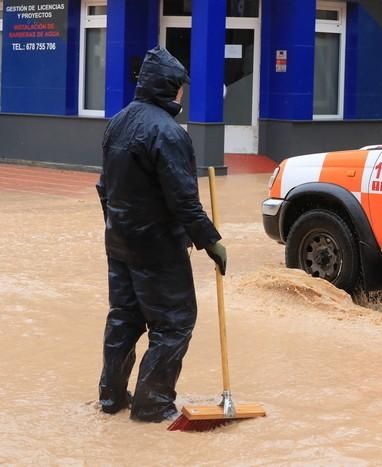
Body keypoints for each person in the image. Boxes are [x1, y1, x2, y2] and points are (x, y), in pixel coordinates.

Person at [96, 47, 227, 423]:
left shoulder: (117, 122)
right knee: (173, 323)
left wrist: (117, 227)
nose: (183, 94)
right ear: (170, 88)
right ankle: (152, 405)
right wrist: (211, 241)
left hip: (119, 243)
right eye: (181, 87)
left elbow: (104, 188)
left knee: (124, 318)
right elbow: (184, 201)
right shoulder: (169, 134)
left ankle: (111, 399)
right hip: (157, 249)